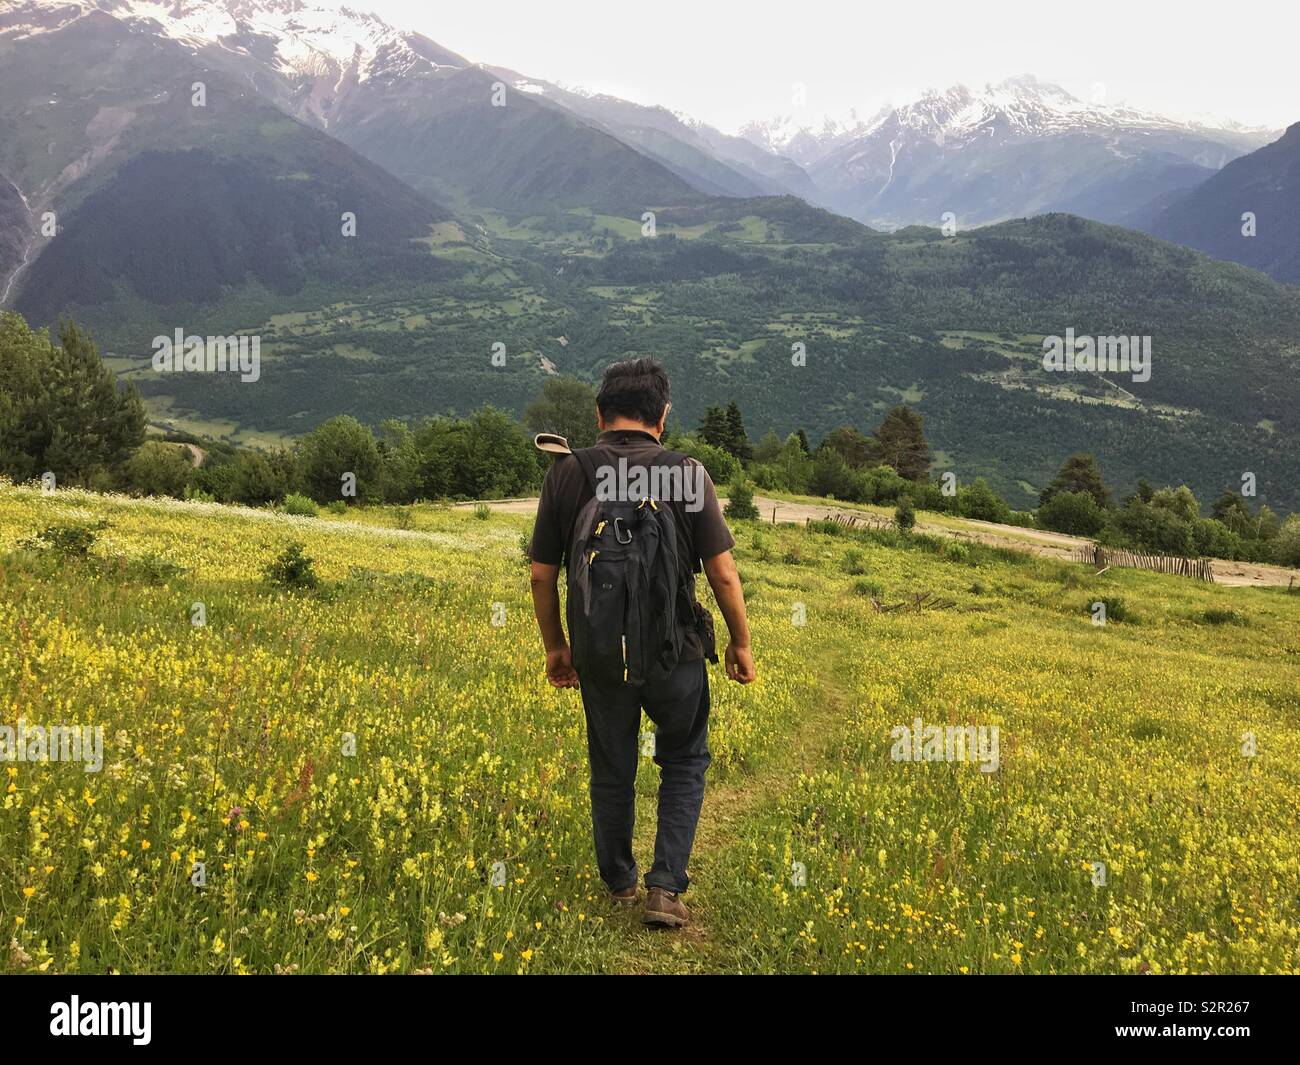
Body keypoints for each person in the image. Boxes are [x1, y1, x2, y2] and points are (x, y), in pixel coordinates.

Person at [527, 357, 755, 929]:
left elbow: (541, 574)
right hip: (673, 648)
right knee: (684, 758)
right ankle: (665, 888)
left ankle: (620, 882)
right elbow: (723, 573)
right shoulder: (686, 473)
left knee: (612, 764)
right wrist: (739, 642)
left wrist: (558, 648)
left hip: (600, 651)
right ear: (663, 417)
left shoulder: (568, 472)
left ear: (600, 414)